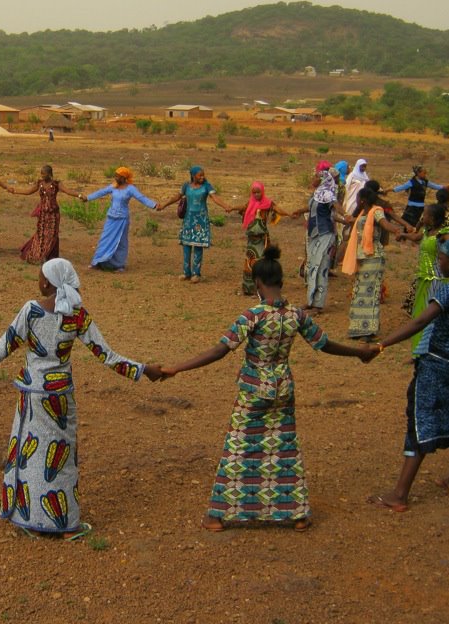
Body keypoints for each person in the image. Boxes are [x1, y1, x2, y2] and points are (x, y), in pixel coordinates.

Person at [159, 245, 374, 532]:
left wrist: (177, 367)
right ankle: (297, 514)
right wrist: (358, 352)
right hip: (283, 388)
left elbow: (220, 350)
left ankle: (219, 514)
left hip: (253, 389)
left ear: (258, 282)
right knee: (283, 448)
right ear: (281, 282)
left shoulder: (254, 315)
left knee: (238, 448)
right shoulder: (296, 315)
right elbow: (325, 344)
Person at [0, 258, 162, 538]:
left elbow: (3, 347)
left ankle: (26, 516)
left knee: (28, 457)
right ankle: (65, 523)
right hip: (59, 400)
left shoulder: (31, 311)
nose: (38, 280)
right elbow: (107, 355)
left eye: (40, 276)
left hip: (33, 397)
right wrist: (143, 371)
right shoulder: (76, 315)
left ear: (48, 283)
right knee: (61, 461)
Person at [366, 237, 449, 513]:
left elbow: (420, 321)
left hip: (435, 362)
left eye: (441, 258)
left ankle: (400, 494)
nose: (438, 262)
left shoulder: (447, 291)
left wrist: (382, 345)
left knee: (421, 420)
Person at [342, 187, 403, 340]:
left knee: (370, 292)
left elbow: (384, 224)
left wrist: (396, 230)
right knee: (359, 292)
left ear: (362, 200)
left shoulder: (376, 211)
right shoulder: (363, 213)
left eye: (357, 198)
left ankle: (368, 330)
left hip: (374, 256)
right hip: (362, 256)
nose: (355, 201)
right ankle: (357, 328)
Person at [158, 166, 232, 282]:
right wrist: (164, 205)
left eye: (203, 175)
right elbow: (176, 197)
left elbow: (214, 198)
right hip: (188, 219)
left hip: (201, 220)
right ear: (193, 176)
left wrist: (225, 206)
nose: (202, 177)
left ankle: (196, 274)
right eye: (200, 175)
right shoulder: (186, 186)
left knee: (198, 246)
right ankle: (186, 272)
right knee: (186, 246)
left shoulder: (207, 186)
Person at [290, 168, 348, 312]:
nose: (313, 178)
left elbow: (335, 207)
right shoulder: (317, 194)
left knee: (321, 267)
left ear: (322, 179)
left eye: (316, 176)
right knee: (311, 267)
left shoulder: (328, 195)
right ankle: (310, 301)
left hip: (325, 234)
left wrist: (346, 216)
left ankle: (318, 304)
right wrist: (299, 211)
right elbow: (312, 208)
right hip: (314, 234)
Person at [80, 167, 159, 272]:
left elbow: (141, 198)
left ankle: (119, 265)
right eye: (115, 175)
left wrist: (154, 205)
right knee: (104, 239)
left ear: (124, 177)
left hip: (122, 219)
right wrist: (88, 198)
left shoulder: (130, 189)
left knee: (121, 242)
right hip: (111, 218)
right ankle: (98, 262)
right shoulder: (113, 187)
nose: (115, 178)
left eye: (118, 176)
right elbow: (101, 192)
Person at [398, 204, 449, 353]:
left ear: (433, 218)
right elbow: (415, 237)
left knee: (430, 317)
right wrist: (403, 235)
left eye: (425, 215)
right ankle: (419, 350)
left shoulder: (443, 234)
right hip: (423, 278)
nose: (423, 217)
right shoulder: (428, 232)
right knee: (418, 315)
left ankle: (427, 350)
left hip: (436, 280)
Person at [228, 181, 289, 295]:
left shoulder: (268, 203)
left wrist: (289, 214)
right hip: (252, 239)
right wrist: (232, 208)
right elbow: (242, 207)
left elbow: (277, 209)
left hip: (262, 238)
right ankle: (249, 287)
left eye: (258, 192)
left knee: (262, 261)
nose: (256, 194)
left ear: (263, 191)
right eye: (254, 192)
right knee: (250, 261)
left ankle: (263, 288)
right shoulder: (250, 203)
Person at [11, 165, 79, 265]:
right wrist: (15, 191)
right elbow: (28, 191)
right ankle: (40, 254)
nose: (42, 176)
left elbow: (67, 191)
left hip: (53, 214)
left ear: (49, 174)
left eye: (44, 173)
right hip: (43, 213)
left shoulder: (56, 184)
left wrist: (79, 195)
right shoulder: (40, 183)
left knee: (52, 234)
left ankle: (49, 255)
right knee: (41, 233)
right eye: (41, 173)